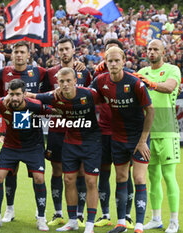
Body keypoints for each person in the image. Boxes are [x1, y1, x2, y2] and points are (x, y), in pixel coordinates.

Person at [90, 47, 154, 233]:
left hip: (138, 137)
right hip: (117, 137)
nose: (114, 64)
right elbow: (87, 97)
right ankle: (121, 223)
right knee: (121, 177)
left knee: (139, 177)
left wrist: (142, 141)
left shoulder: (134, 83)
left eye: (117, 60)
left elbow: (150, 110)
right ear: (105, 62)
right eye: (110, 61)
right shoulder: (100, 81)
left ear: (124, 60)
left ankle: (140, 225)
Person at [31, 67, 102, 233]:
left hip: (92, 142)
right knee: (68, 180)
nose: (65, 84)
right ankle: (72, 221)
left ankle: (90, 225)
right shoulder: (54, 96)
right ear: (57, 83)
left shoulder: (89, 94)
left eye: (68, 80)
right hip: (70, 142)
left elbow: (108, 99)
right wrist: (7, 99)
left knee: (91, 182)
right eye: (61, 81)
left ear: (75, 81)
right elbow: (31, 96)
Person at [0, 79, 50, 231]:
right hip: (10, 146)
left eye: (18, 94)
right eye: (11, 94)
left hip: (33, 147)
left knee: (39, 178)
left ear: (25, 94)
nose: (14, 98)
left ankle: (41, 218)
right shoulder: (2, 104)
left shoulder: (36, 106)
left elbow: (55, 112)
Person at [40, 38, 92, 227]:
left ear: (73, 50)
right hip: (57, 129)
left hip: (79, 129)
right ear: (57, 51)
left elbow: (92, 95)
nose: (64, 52)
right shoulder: (49, 73)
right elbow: (42, 100)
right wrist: (49, 111)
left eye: (67, 49)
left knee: (80, 171)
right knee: (57, 170)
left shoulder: (84, 72)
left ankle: (78, 214)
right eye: (60, 49)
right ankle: (58, 213)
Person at [138, 39, 181, 233]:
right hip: (148, 134)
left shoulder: (172, 70)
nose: (152, 52)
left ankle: (174, 221)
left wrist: (151, 83)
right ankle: (155, 218)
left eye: (156, 49)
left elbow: (170, 87)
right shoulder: (142, 72)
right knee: (152, 177)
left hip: (167, 131)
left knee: (169, 176)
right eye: (149, 49)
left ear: (163, 51)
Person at [93, 39, 136, 229]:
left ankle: (126, 215)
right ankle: (105, 214)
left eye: (115, 55)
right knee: (104, 173)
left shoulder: (130, 77)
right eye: (108, 54)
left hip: (124, 133)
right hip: (103, 131)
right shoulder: (99, 76)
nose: (111, 61)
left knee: (126, 174)